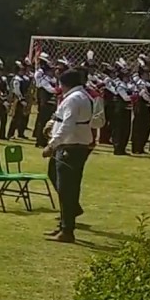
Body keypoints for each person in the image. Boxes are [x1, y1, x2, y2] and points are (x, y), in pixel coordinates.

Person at [44, 68, 94, 244]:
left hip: (70, 146)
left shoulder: (74, 99)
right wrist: (52, 123)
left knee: (67, 187)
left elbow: (68, 125)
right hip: (74, 144)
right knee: (55, 176)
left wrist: (52, 145)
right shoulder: (83, 95)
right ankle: (70, 212)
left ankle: (67, 229)